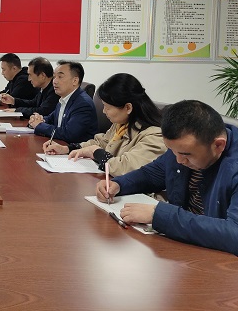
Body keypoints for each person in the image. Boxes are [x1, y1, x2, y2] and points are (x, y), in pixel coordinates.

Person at [97, 100, 238, 255]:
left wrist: (159, 215)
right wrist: (119, 184)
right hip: (185, 245)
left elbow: (234, 234)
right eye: (172, 151)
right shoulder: (182, 149)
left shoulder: (233, 166)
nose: (179, 160)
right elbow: (153, 173)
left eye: (186, 155)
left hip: (219, 259)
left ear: (218, 145)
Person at [44, 73, 166, 175]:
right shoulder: (122, 124)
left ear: (128, 107)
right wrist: (67, 149)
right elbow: (101, 142)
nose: (103, 111)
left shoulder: (155, 136)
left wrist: (96, 152)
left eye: (107, 107)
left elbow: (126, 168)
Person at [30, 60, 97, 144]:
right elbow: (51, 119)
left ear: (75, 81)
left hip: (75, 149)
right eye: (54, 77)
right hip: (59, 146)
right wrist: (37, 119)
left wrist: (39, 125)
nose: (54, 81)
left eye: (60, 77)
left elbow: (69, 134)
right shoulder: (64, 99)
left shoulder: (83, 104)